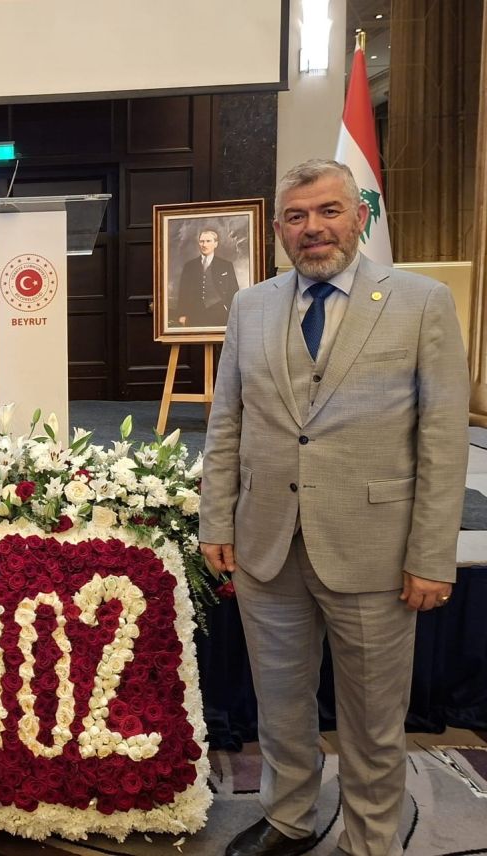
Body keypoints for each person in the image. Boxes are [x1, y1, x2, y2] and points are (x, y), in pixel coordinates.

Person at [199, 159, 469, 856]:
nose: (312, 228)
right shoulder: (250, 306)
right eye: (296, 216)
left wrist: (432, 555)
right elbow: (227, 422)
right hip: (267, 544)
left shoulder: (422, 302)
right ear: (278, 230)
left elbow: (442, 439)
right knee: (280, 702)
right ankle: (289, 817)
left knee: (374, 715)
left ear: (359, 217)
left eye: (327, 211)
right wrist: (216, 520)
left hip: (375, 547)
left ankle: (371, 838)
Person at [174, 228, 239, 327]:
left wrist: (233, 313)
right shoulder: (189, 266)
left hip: (219, 313)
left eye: (208, 241)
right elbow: (183, 291)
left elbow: (233, 291)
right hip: (194, 313)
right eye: (202, 241)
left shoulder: (226, 265)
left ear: (215, 244)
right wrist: (182, 314)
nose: (204, 245)